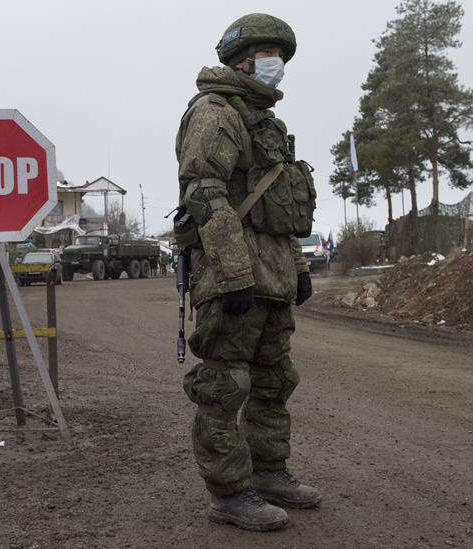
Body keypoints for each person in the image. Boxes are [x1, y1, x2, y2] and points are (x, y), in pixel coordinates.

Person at [175, 13, 319, 532]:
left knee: (274, 380)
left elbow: (278, 211)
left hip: (274, 278)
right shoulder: (215, 113)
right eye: (268, 55)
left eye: (280, 57)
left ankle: (270, 472)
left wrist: (299, 267)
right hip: (232, 278)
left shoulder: (267, 122)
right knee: (224, 384)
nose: (276, 66)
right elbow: (204, 192)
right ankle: (230, 491)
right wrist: (235, 274)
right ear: (242, 58)